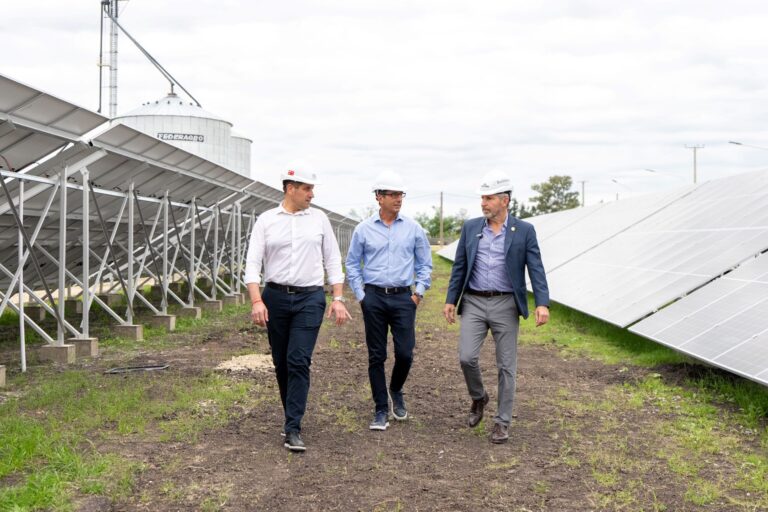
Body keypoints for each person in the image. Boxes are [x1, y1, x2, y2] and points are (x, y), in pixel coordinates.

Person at [244, 168, 352, 452]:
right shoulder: (266, 220)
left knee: (298, 360)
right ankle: (290, 415)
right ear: (290, 188)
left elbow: (332, 259)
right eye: (307, 188)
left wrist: (337, 298)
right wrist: (257, 301)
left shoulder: (319, 219)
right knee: (281, 362)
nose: (311, 194)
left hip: (310, 298)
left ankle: (293, 426)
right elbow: (253, 265)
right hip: (275, 297)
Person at [443, 170, 550, 444]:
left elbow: (536, 268)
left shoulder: (524, 231)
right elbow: (460, 266)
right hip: (475, 301)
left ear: (505, 201)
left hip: (505, 303)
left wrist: (542, 303)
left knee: (506, 366)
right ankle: (479, 397)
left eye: (488, 198)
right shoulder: (471, 227)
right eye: (482, 198)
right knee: (466, 357)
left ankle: (502, 422)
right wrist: (450, 300)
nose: (483, 203)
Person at [346, 171, 433, 431]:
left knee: (405, 353)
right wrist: (361, 296)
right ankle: (381, 409)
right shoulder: (363, 229)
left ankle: (396, 389)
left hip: (403, 298)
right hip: (373, 297)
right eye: (393, 194)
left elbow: (425, 264)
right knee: (376, 356)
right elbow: (352, 264)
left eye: (400, 194)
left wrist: (417, 293)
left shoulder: (414, 228)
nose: (398, 199)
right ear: (379, 197)